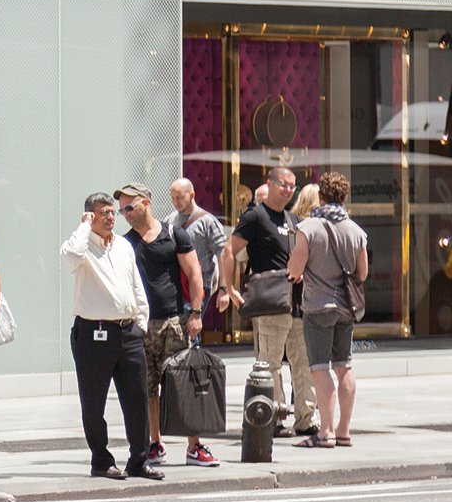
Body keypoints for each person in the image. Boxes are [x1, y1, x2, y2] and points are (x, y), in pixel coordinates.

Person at [116, 183, 216, 468]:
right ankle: (155, 443)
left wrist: (196, 313)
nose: (125, 213)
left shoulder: (174, 234)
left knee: (183, 384)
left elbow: (194, 273)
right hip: (142, 325)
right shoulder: (126, 243)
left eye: (129, 207)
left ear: (146, 203)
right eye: (122, 209)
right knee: (148, 387)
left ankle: (194, 446)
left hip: (174, 321)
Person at [218, 166, 320, 441]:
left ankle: (306, 418)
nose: (287, 190)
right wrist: (230, 288)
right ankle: (273, 417)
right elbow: (229, 251)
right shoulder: (255, 215)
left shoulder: (292, 218)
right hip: (271, 302)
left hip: (297, 303)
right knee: (270, 364)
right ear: (270, 184)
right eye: (283, 184)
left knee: (303, 363)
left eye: (292, 186)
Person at [62, 192, 158, 482]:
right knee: (93, 403)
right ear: (90, 216)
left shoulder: (124, 246)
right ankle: (101, 461)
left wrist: (140, 322)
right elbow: (70, 256)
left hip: (127, 331)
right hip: (93, 333)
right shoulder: (80, 246)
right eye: (102, 212)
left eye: (111, 212)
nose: (110, 216)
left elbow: (136, 286)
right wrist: (84, 226)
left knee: (137, 398)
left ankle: (139, 460)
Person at [287, 171, 367, 449]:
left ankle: (326, 432)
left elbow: (295, 270)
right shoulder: (356, 231)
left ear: (320, 196)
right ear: (344, 197)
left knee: (320, 369)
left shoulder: (308, 228)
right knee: (344, 366)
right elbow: (363, 273)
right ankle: (344, 431)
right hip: (347, 307)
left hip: (318, 306)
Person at [165, 178, 226, 326]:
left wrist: (224, 289)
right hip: (175, 284)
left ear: (192, 194)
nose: (176, 202)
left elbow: (223, 254)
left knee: (190, 327)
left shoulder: (208, 221)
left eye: (180, 197)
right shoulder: (169, 220)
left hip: (199, 284)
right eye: (173, 198)